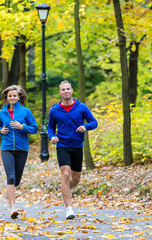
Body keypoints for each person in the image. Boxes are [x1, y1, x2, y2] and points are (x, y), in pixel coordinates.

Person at [47, 80, 98, 219]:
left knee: (75, 179)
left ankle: (65, 190)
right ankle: (68, 208)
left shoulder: (81, 107)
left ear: (72, 90)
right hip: (62, 145)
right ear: (60, 92)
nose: (66, 91)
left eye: (68, 89)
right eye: (63, 89)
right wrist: (52, 137)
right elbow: (50, 127)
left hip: (77, 146)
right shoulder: (55, 110)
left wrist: (85, 127)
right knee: (65, 174)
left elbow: (94, 122)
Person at [0, 85, 38, 219]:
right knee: (11, 178)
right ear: (6, 98)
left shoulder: (25, 112)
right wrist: (0, 131)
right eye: (9, 96)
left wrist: (22, 127)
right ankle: (13, 208)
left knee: (16, 180)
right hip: (6, 148)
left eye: (14, 95)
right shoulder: (1, 113)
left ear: (19, 97)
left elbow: (34, 128)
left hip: (22, 149)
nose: (12, 98)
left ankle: (11, 189)